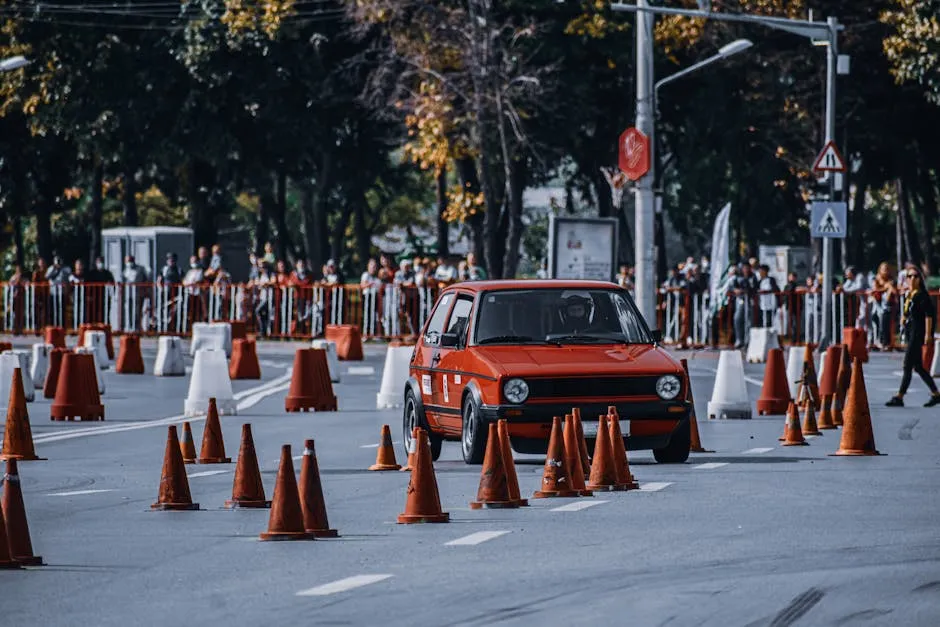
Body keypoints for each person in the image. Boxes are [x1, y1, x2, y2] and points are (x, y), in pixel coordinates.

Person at [886, 267, 940, 407]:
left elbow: (929, 316)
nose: (911, 279)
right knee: (918, 367)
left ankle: (900, 396)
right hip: (911, 332)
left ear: (919, 278)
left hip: (918, 333)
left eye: (915, 276)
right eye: (909, 276)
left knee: (907, 364)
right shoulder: (911, 294)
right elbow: (909, 311)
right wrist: (904, 318)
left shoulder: (922, 295)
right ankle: (936, 394)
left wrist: (928, 335)